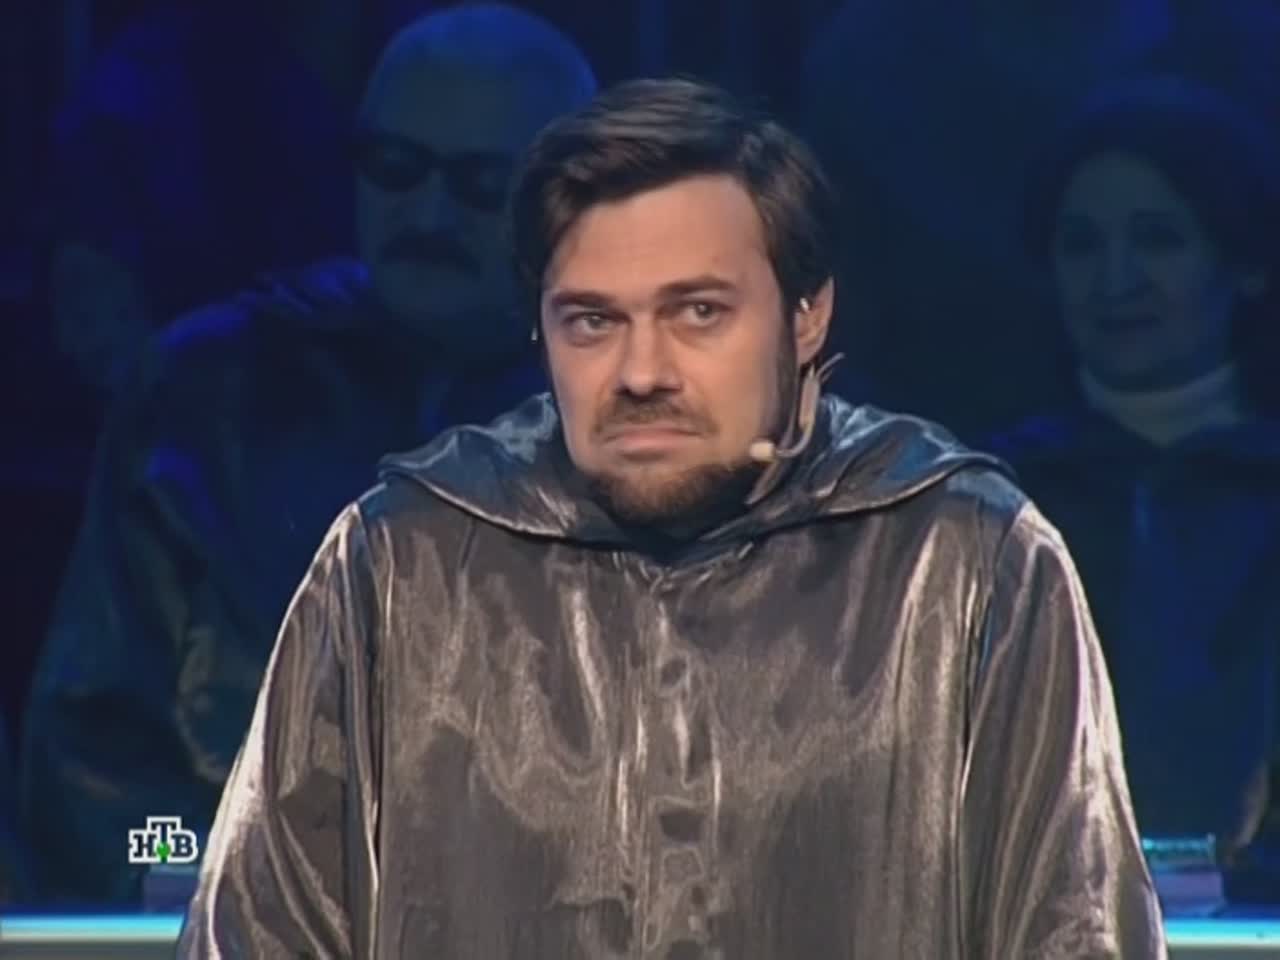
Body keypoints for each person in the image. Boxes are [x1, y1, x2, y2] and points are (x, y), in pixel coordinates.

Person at [178, 77, 1164, 958]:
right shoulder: (402, 559)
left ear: (807, 315)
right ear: (540, 328)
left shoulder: (966, 561)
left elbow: (1073, 935)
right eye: (592, 320)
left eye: (698, 313)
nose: (641, 372)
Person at [21, 3, 597, 905]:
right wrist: (204, 888)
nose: (428, 213)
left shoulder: (638, 425)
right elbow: (92, 760)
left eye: (482, 184)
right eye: (395, 167)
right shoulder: (206, 397)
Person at [993, 76, 1280, 892]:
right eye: (1081, 245)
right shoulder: (988, 498)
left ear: (1244, 263)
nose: (1116, 280)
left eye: (1158, 239)